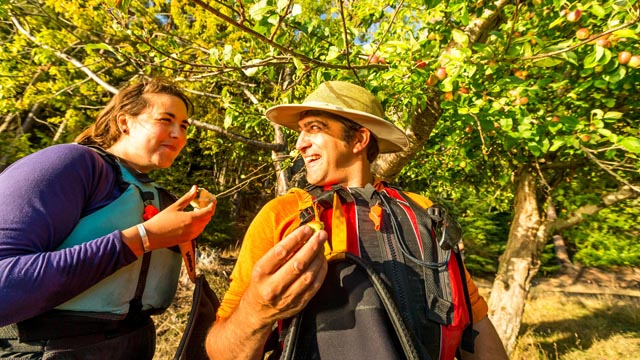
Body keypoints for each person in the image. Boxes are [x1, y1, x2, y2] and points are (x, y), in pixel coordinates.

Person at [205, 81, 508, 360]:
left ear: (359, 139)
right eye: (301, 131)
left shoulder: (425, 214)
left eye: (314, 128)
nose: (299, 143)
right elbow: (221, 350)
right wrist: (256, 312)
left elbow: (474, 324)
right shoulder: (282, 215)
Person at [0, 77, 216, 359]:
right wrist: (142, 238)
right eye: (166, 120)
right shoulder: (70, 165)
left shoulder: (157, 195)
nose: (179, 134)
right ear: (124, 122)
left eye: (185, 126)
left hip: (132, 345)